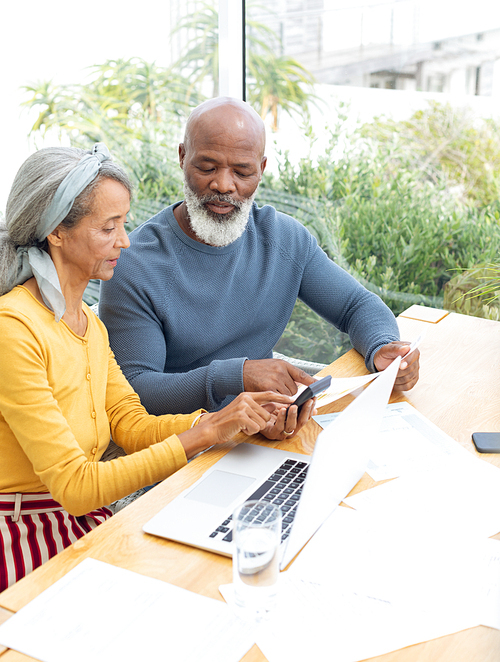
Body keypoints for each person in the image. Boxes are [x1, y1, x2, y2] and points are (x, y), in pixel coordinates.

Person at [0, 143, 306, 592]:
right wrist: (202, 434)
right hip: (23, 536)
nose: (125, 241)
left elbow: (131, 424)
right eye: (109, 228)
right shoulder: (14, 331)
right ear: (57, 233)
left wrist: (223, 423)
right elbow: (76, 486)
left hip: (82, 523)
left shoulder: (87, 323)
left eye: (123, 224)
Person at [99, 97, 419, 429]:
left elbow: (357, 304)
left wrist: (382, 347)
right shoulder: (134, 263)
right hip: (182, 447)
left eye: (242, 171)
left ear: (261, 170)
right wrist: (236, 376)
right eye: (207, 167)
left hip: (260, 430)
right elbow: (136, 389)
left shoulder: (283, 238)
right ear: (182, 158)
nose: (223, 185)